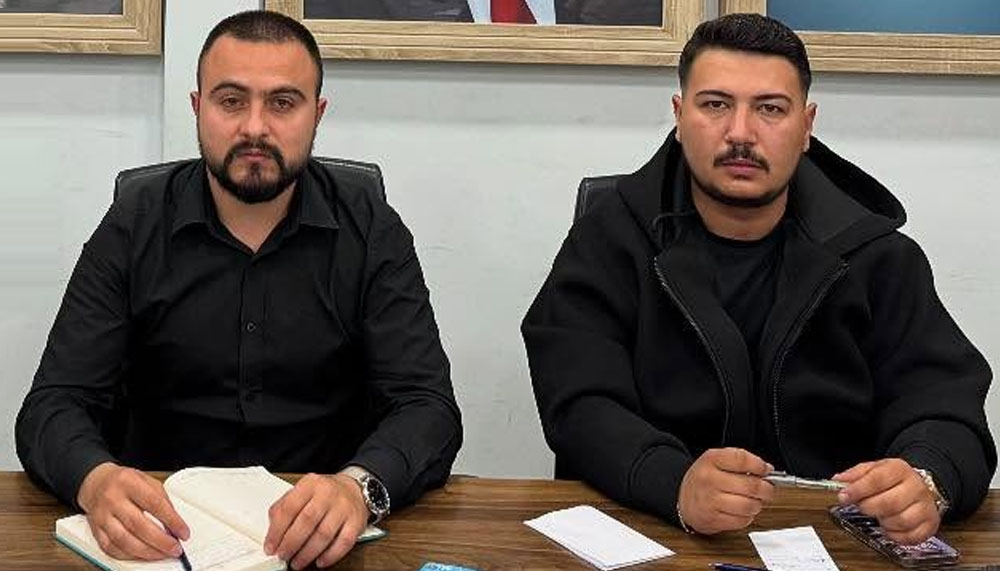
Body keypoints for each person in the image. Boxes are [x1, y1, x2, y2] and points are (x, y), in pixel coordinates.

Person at [522, 13, 994, 545]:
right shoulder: (610, 239)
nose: (740, 133)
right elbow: (578, 403)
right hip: (656, 529)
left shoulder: (878, 256)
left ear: (806, 126)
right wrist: (671, 481)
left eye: (770, 108)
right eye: (715, 105)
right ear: (679, 116)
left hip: (837, 536)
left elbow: (946, 407)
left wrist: (928, 479)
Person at [16, 10, 462, 569]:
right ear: (197, 107)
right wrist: (95, 479)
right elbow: (53, 404)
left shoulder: (370, 228)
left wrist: (358, 488)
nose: (255, 127)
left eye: (283, 103)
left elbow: (427, 407)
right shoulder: (134, 224)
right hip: (160, 541)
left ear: (317, 114)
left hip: (319, 542)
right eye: (231, 101)